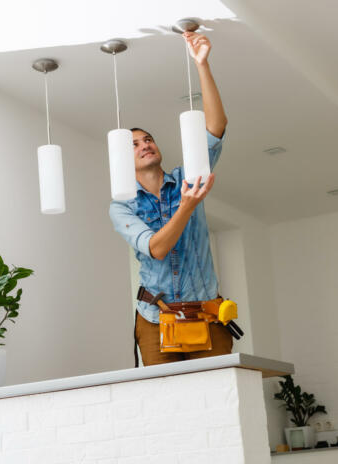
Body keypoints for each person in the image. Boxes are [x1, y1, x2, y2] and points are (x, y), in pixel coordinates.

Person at [109, 31, 230, 366]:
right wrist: (188, 206)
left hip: (206, 313)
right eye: (133, 144)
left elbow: (216, 127)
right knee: (166, 402)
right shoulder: (121, 207)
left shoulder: (188, 178)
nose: (145, 144)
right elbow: (157, 248)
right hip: (153, 318)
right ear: (122, 160)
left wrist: (201, 64)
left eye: (148, 139)